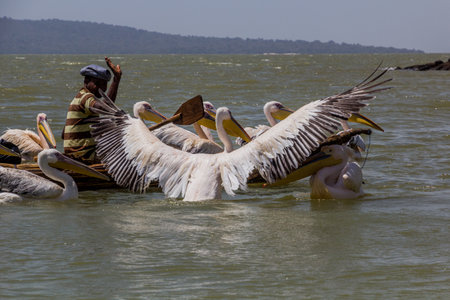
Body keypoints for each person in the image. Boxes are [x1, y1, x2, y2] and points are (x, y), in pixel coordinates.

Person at [62, 57, 122, 164]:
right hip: (83, 156)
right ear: (87, 81)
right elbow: (105, 108)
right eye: (98, 84)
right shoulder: (86, 97)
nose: (103, 89)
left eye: (105, 85)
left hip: (74, 154)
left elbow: (63, 134)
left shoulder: (77, 98)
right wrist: (116, 80)